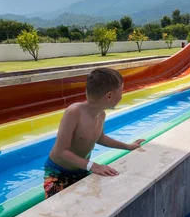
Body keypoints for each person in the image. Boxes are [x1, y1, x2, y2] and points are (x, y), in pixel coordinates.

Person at [44, 68, 145, 198]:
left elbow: (100, 138)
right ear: (109, 96)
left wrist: (128, 146)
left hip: (81, 169)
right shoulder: (74, 112)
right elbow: (61, 152)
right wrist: (93, 166)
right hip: (57, 173)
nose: (122, 95)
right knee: (56, 208)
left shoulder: (101, 114)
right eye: (121, 91)